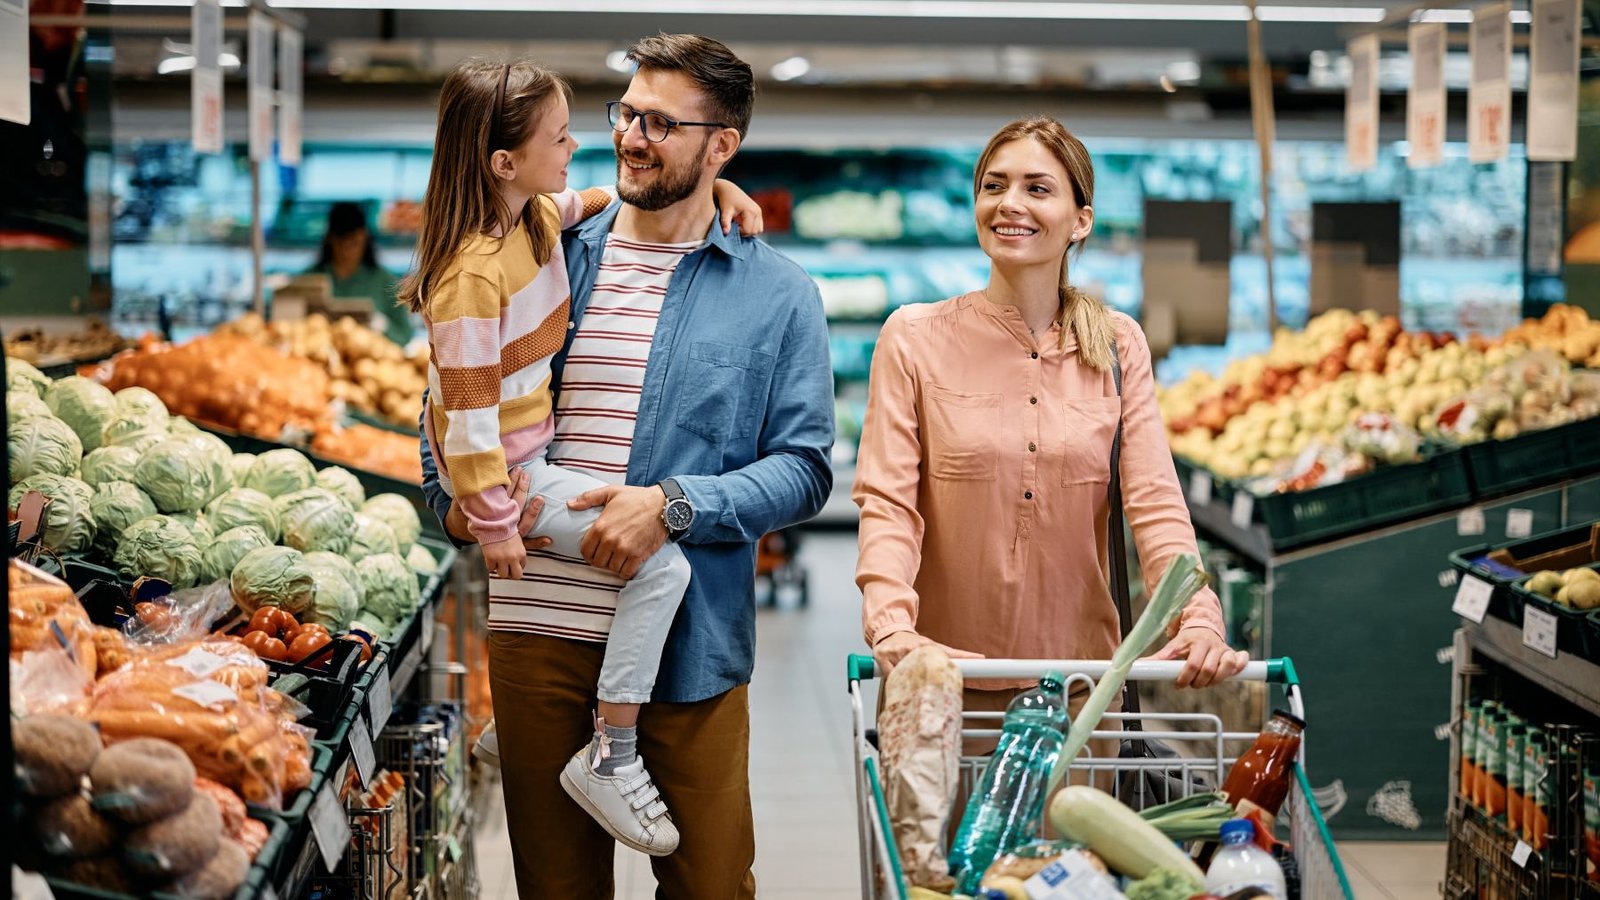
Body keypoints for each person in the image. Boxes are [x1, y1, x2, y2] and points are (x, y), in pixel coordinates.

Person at [419, 35, 834, 898]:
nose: (632, 137)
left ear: (722, 146)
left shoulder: (777, 294)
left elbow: (804, 468)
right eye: (627, 114)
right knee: (555, 887)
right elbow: (452, 402)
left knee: (712, 883)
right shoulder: (545, 243)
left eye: (661, 124)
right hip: (538, 632)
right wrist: (457, 508)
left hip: (687, 647)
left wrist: (673, 506)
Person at [853, 116, 1248, 733]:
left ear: (1080, 220)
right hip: (939, 686)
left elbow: (1154, 504)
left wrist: (1196, 616)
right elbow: (888, 503)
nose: (1010, 203)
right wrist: (892, 626)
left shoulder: (1117, 345)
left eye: (1037, 188)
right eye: (993, 185)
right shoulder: (913, 337)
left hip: (1080, 693)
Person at [305, 202, 410, 345]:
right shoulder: (308, 280)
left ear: (365, 239)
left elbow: (405, 336)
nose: (347, 251)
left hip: (371, 362)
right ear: (330, 239)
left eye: (354, 243)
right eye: (341, 243)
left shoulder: (386, 283)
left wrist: (383, 326)